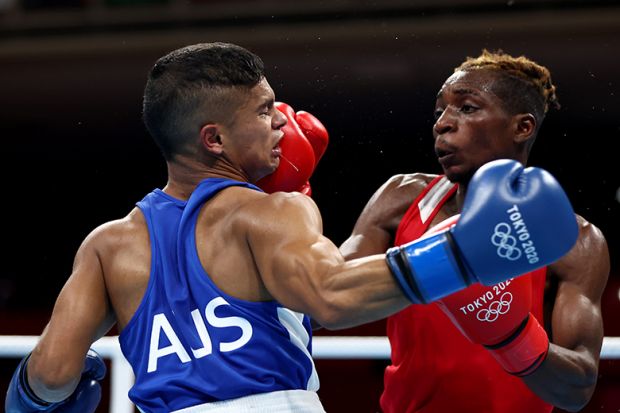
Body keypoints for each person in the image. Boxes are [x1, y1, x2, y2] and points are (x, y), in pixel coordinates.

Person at [5, 43, 579, 413]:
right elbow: (331, 296)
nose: (282, 121)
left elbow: (52, 376)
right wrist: (463, 256)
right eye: (264, 110)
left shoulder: (105, 244)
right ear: (214, 139)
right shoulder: (272, 214)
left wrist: (35, 398)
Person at [340, 49, 610, 413]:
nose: (443, 123)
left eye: (467, 108)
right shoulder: (403, 199)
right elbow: (330, 298)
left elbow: (576, 390)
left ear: (522, 127)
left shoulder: (574, 240)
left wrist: (512, 336)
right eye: (440, 112)